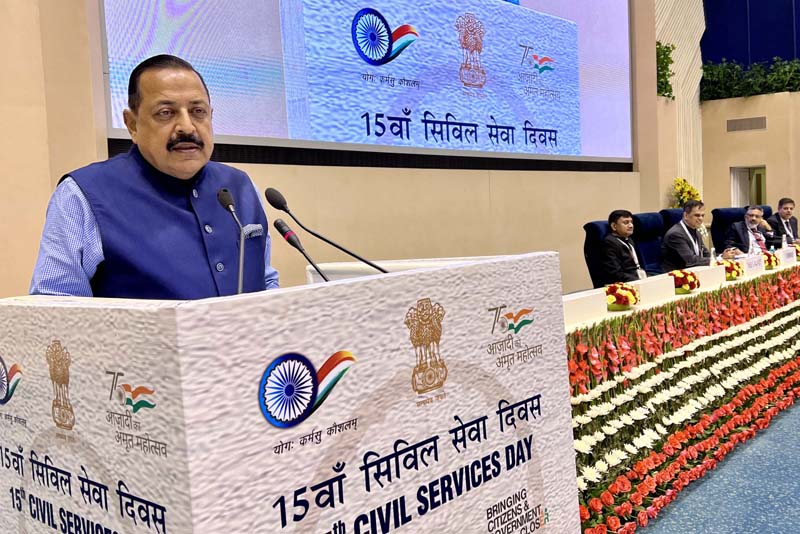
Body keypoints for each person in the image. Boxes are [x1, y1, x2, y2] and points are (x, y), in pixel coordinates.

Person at [30, 54, 279, 299]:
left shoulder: (241, 188)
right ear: (132, 124)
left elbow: (266, 284)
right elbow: (55, 309)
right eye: (166, 113)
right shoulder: (82, 196)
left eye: (198, 111)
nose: (187, 127)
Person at [661, 200, 726, 271]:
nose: (701, 219)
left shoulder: (695, 231)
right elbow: (691, 260)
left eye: (702, 215)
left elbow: (706, 254)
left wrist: (722, 256)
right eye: (697, 215)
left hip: (692, 270)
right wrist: (720, 259)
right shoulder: (675, 234)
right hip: (675, 275)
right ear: (685, 216)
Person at [598, 210, 646, 285]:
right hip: (626, 283)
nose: (631, 226)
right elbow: (616, 273)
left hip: (639, 278)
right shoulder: (609, 243)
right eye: (626, 223)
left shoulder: (629, 239)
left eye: (631, 222)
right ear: (614, 226)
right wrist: (640, 280)